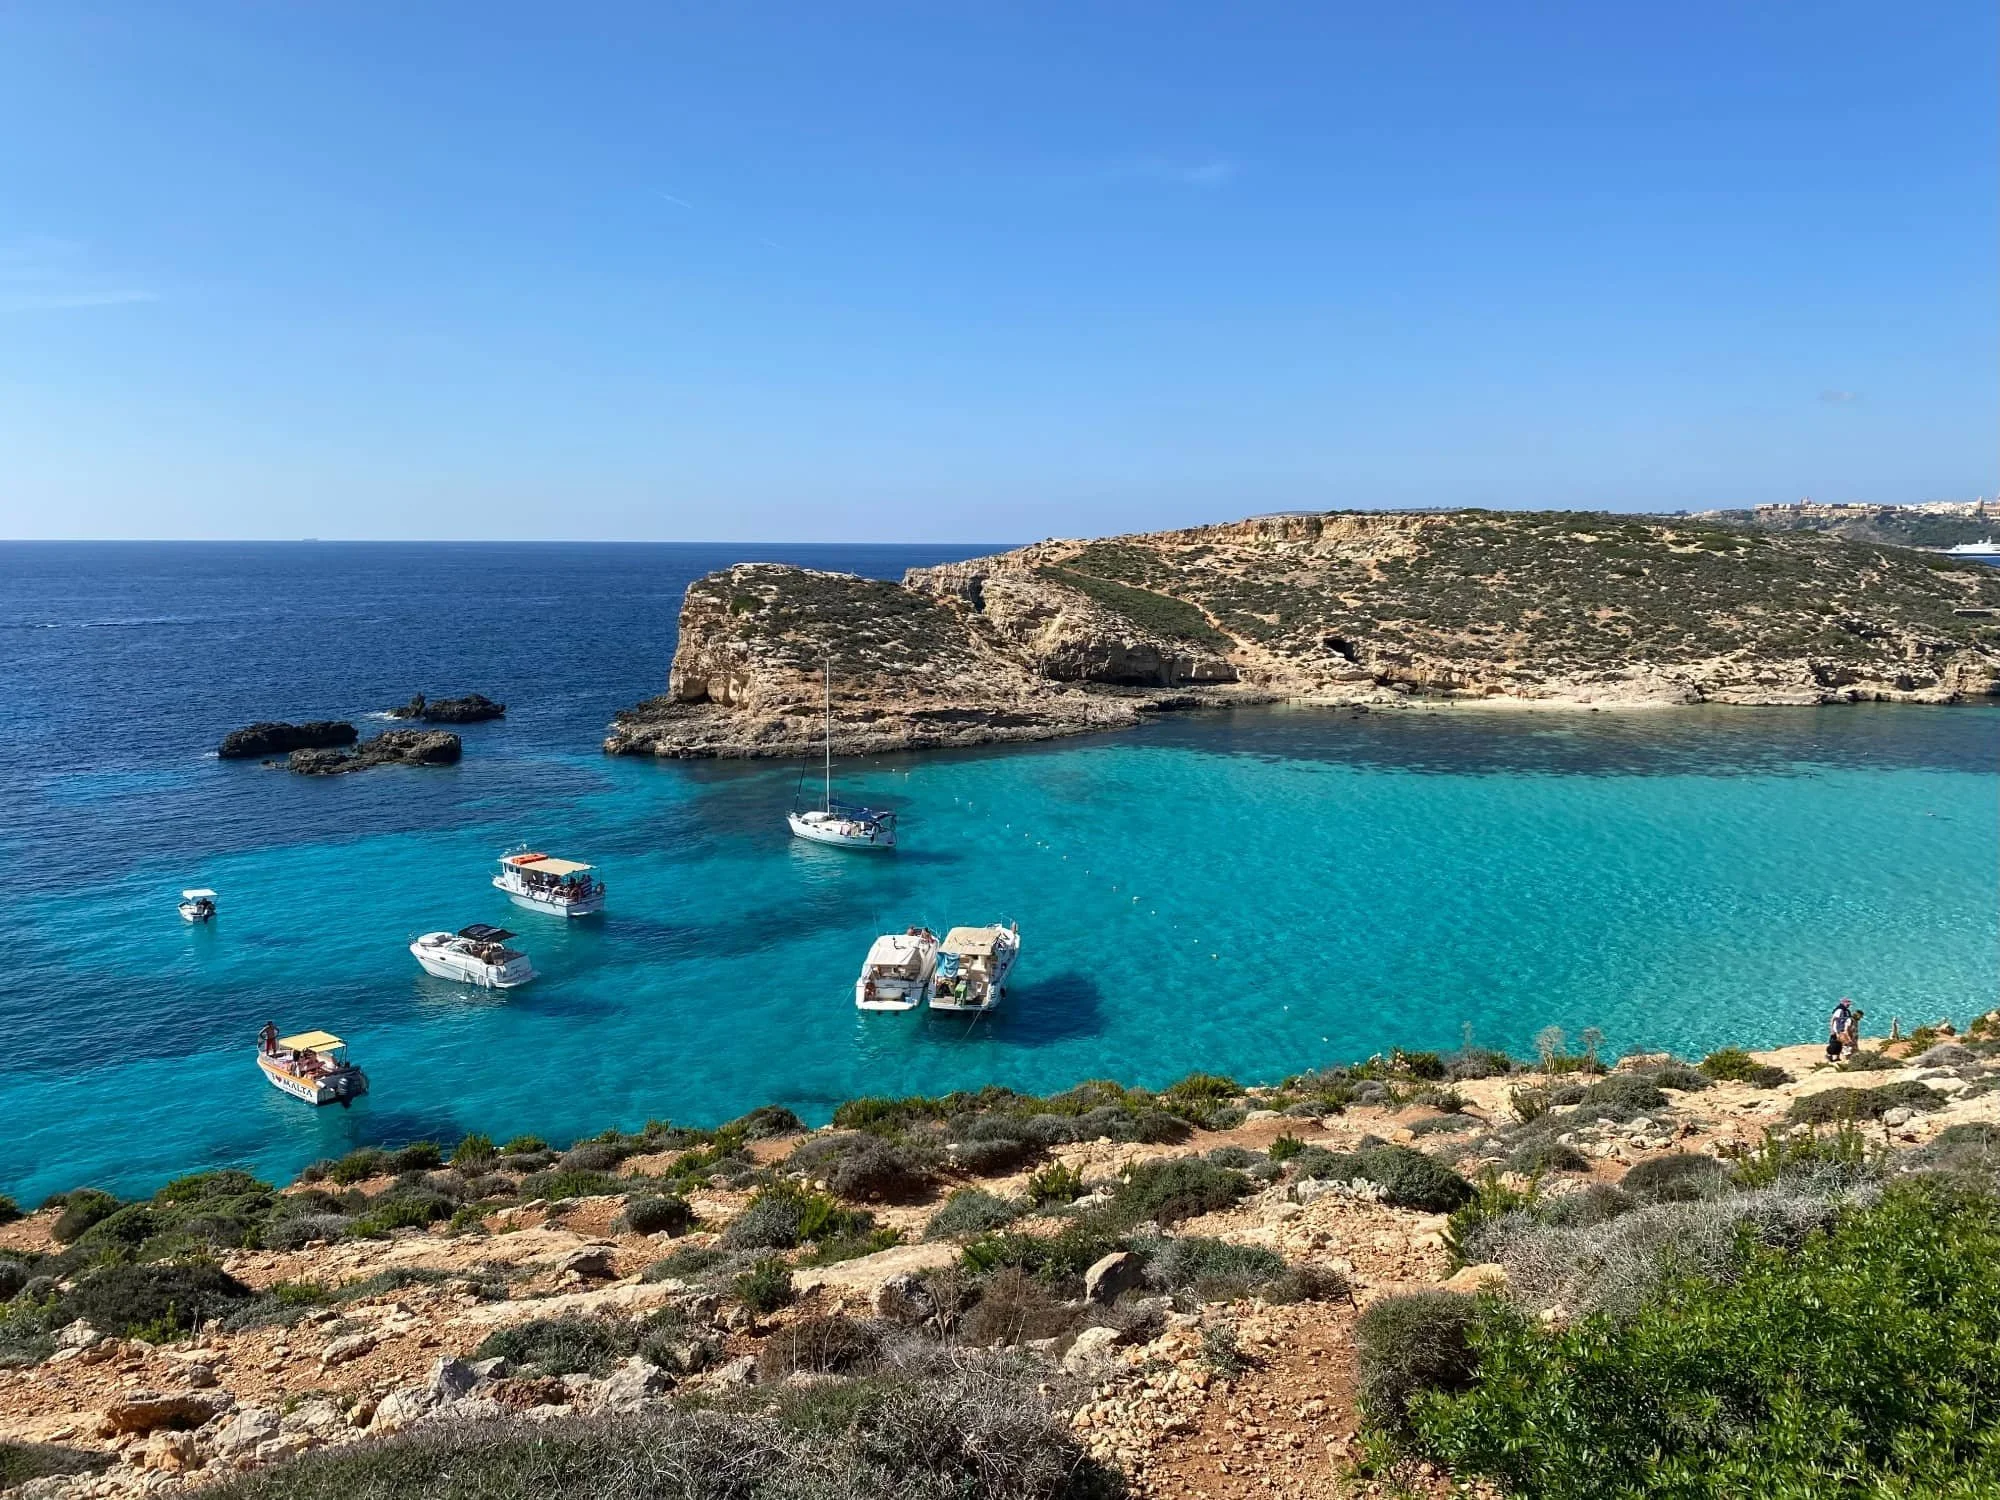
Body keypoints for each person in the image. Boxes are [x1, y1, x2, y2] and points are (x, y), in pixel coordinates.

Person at [1827, 997, 1853, 1062]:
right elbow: (1833, 1019)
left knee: (1839, 1044)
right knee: (1835, 1044)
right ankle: (1830, 1055)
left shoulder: (1847, 1011)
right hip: (1837, 1030)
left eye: (1849, 1003)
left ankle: (1837, 1058)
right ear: (1843, 1003)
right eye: (1847, 1002)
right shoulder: (1839, 1010)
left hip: (1843, 1030)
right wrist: (1832, 1029)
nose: (1848, 1004)